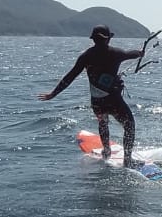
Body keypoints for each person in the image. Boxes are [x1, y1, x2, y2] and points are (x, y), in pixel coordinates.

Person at [39, 25, 144, 166]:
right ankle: (127, 160)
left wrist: (53, 94)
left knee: (103, 122)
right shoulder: (116, 53)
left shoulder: (86, 56)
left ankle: (106, 150)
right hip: (113, 101)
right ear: (109, 39)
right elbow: (130, 54)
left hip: (97, 103)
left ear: (93, 40)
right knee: (129, 125)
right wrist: (140, 53)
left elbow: (70, 76)